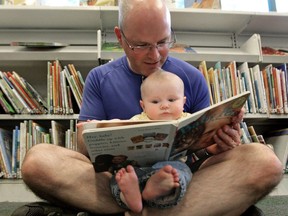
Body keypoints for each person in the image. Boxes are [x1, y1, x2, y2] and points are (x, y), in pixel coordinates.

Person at [16, 0, 283, 216]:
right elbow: (84, 154)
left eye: (163, 42)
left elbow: (205, 160)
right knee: (37, 161)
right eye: (141, 45)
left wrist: (222, 144)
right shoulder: (100, 78)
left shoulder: (191, 77)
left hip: (181, 178)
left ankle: (131, 211)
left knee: (265, 162)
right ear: (120, 37)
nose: (155, 55)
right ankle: (199, 209)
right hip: (120, 182)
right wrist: (106, 134)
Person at [111, 70, 192, 213]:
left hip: (170, 166)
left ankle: (154, 188)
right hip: (136, 169)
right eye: (155, 101)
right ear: (143, 106)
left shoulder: (187, 119)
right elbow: (118, 126)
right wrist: (97, 125)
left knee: (181, 173)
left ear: (183, 102)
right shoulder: (139, 120)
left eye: (172, 100)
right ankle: (130, 196)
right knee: (119, 178)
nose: (164, 105)